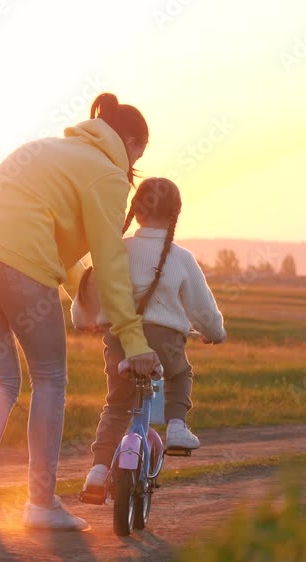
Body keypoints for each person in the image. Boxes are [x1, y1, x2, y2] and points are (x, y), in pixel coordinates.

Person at [0, 93, 162, 530]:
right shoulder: (107, 175)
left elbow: (54, 243)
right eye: (141, 151)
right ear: (132, 141)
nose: (137, 162)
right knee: (49, 378)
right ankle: (40, 504)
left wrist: (77, 297)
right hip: (18, 263)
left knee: (2, 380)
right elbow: (111, 262)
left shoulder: (49, 149)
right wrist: (133, 339)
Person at [72, 177, 227, 501]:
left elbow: (90, 292)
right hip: (166, 342)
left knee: (116, 405)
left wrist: (84, 321)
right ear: (176, 214)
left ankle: (98, 471)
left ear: (135, 212)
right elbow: (204, 311)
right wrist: (215, 333)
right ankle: (176, 428)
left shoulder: (116, 250)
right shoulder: (181, 257)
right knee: (179, 374)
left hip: (120, 342)